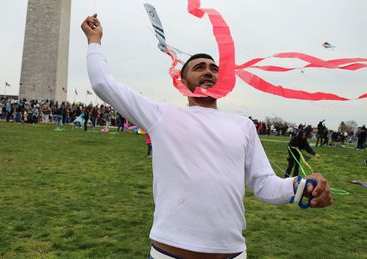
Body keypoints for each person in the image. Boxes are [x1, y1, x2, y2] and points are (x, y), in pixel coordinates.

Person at [82, 14, 333, 258]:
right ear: (182, 81)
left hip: (232, 252)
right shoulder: (161, 116)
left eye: (214, 68)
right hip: (170, 252)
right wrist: (95, 40)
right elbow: (103, 83)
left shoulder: (243, 125)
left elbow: (264, 185)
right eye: (199, 68)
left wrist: (302, 185)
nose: (209, 72)